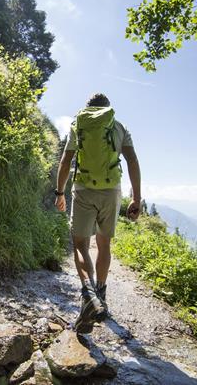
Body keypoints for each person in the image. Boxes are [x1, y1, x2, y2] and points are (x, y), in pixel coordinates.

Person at [55, 93, 141, 334]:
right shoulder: (119, 126)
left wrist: (59, 192)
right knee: (104, 244)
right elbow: (132, 160)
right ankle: (100, 293)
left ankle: (88, 293)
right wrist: (136, 197)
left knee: (80, 244)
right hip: (111, 191)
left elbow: (66, 161)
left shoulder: (78, 125)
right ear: (108, 109)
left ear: (87, 108)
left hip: (83, 189)